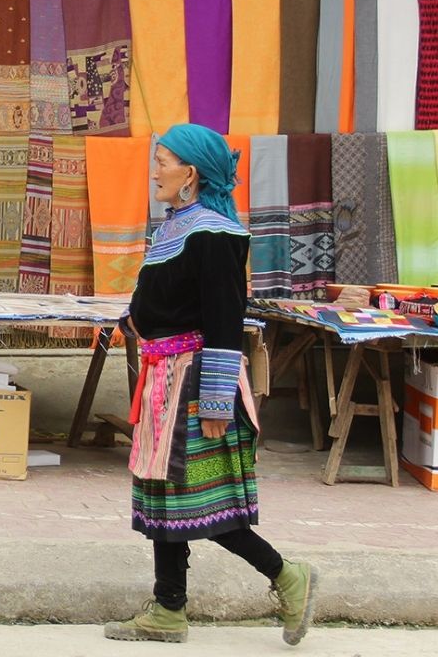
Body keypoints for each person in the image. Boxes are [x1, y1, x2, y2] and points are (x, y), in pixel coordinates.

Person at [106, 124, 317, 646]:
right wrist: (130, 321)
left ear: (190, 173)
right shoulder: (174, 228)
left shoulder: (217, 235)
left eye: (163, 162)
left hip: (196, 380)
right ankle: (168, 609)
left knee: (201, 500)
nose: (155, 171)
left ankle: (288, 575)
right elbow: (164, 301)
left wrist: (218, 400)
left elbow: (226, 321)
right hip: (164, 376)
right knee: (163, 494)